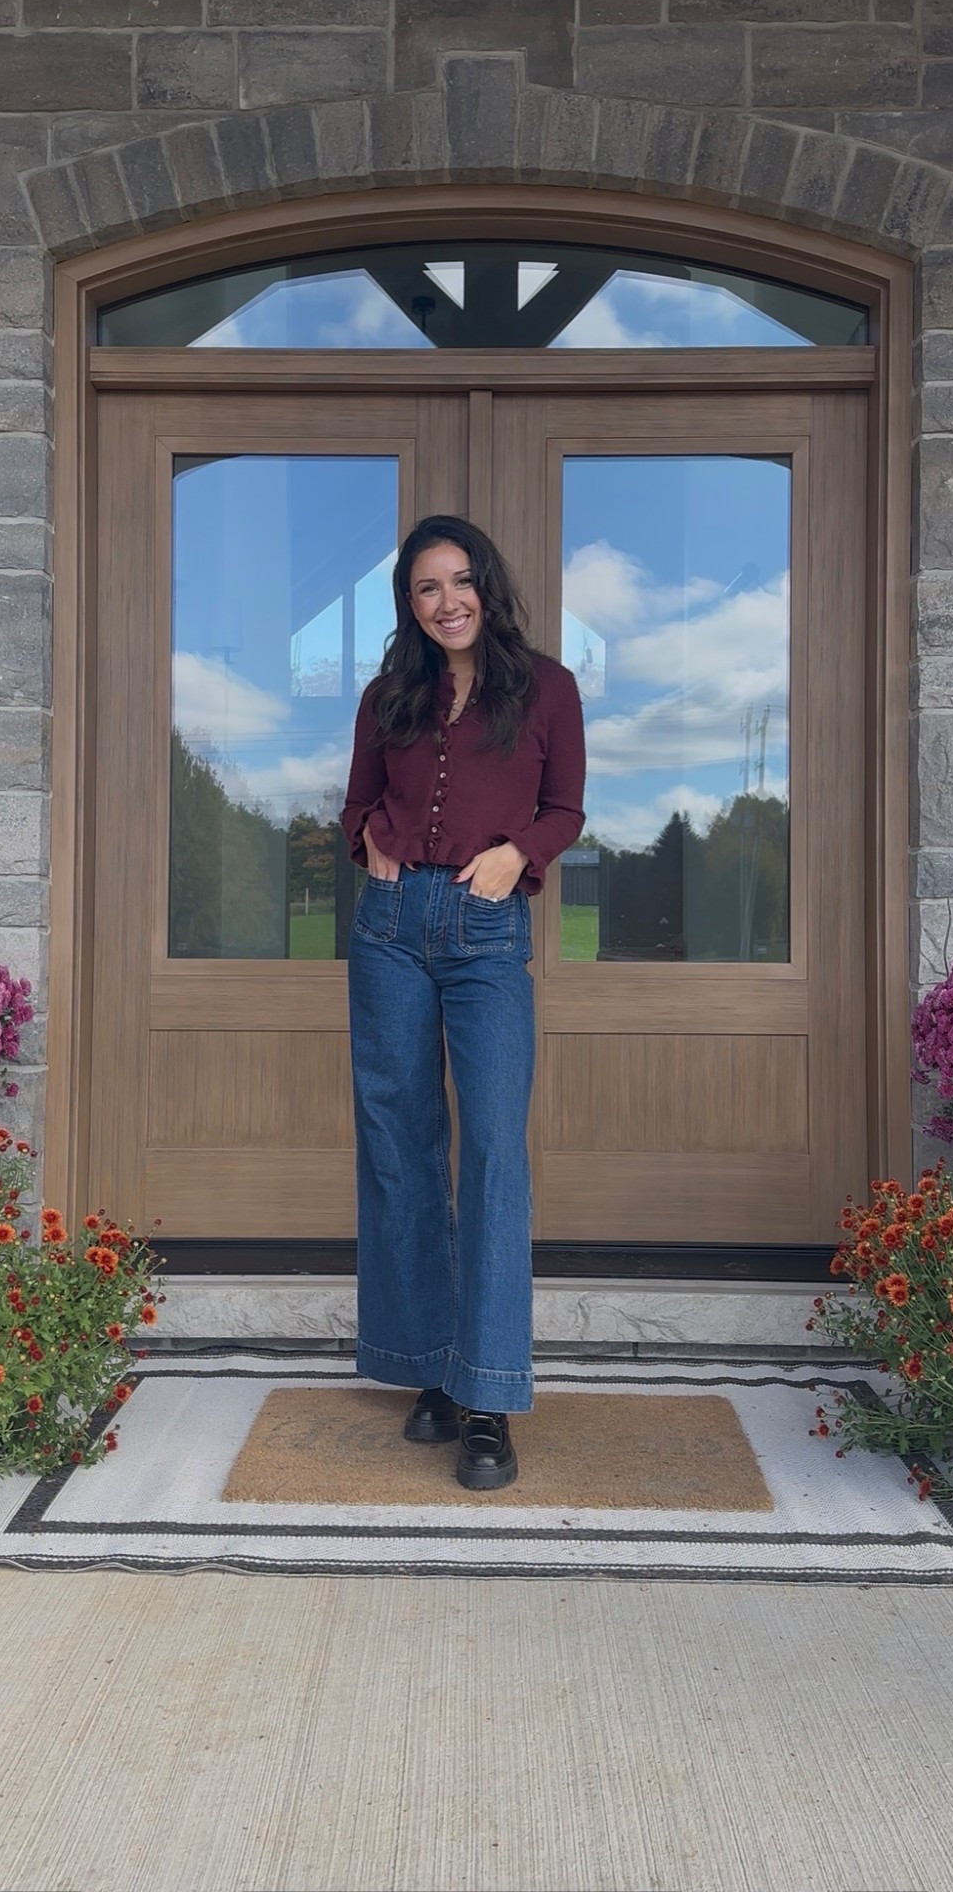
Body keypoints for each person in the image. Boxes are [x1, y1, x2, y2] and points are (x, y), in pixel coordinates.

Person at [340, 515, 586, 1491]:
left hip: (486, 935)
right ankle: (426, 1372)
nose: (448, 601)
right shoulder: (386, 694)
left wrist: (517, 851)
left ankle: (487, 1396)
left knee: (488, 1147)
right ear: (411, 602)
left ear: (487, 582)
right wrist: (372, 846)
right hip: (392, 928)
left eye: (460, 580)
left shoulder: (549, 689)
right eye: (427, 587)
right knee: (400, 1145)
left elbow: (566, 806)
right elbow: (355, 804)